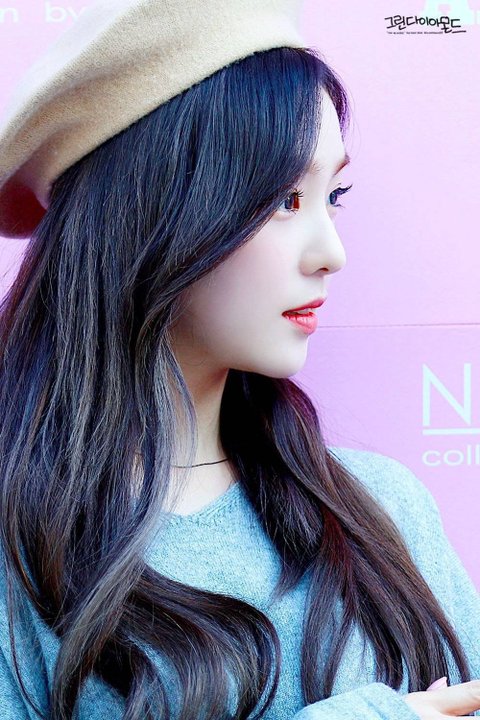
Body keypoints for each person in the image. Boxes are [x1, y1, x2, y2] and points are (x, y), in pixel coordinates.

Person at [0, 1, 479, 719]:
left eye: (332, 195)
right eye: (284, 200)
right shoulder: (19, 551)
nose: (331, 253)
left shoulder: (382, 508)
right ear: (151, 213)